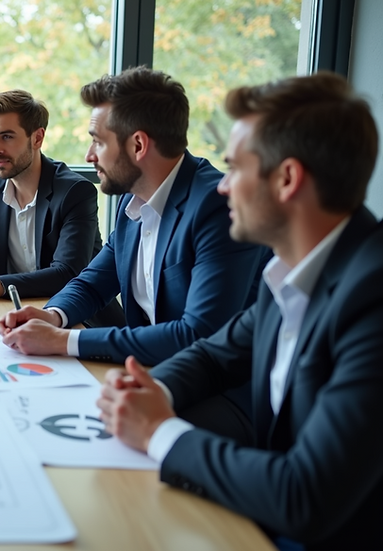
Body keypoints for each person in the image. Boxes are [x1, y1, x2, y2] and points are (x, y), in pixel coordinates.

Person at [96, 73, 382, 551]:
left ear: (287, 179)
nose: (223, 187)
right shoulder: (287, 269)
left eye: (235, 168)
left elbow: (305, 495)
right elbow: (213, 355)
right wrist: (152, 388)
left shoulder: (372, 296)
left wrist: (158, 431)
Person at [0, 67, 267, 366]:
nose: (89, 155)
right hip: (147, 372)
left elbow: (198, 334)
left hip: (217, 390)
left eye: (98, 141)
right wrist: (52, 316)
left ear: (138, 145)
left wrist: (64, 340)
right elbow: (93, 282)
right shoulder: (135, 197)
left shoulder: (218, 208)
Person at [0, 90, 125, 327]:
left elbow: (67, 273)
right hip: (15, 316)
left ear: (37, 138)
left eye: (7, 137)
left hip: (81, 322)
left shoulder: (75, 192)